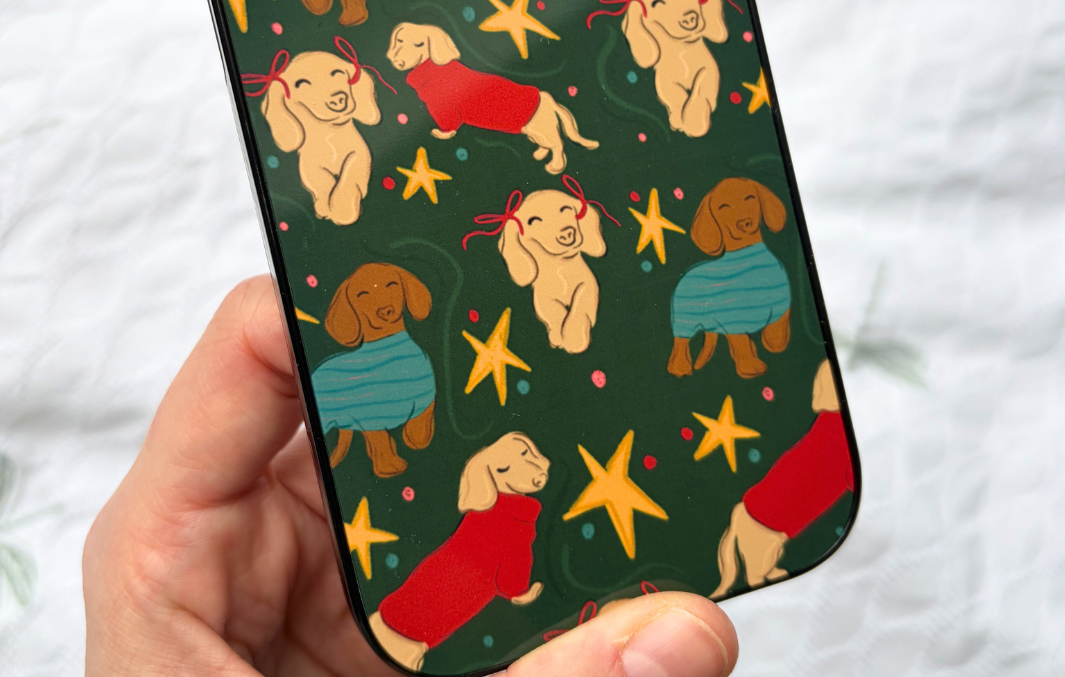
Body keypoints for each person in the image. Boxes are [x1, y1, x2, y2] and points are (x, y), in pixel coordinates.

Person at [83, 276, 738, 677]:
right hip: (428, 620)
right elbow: (510, 568)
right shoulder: (503, 518)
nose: (379, 306)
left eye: (388, 294)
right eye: (364, 299)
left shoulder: (490, 502)